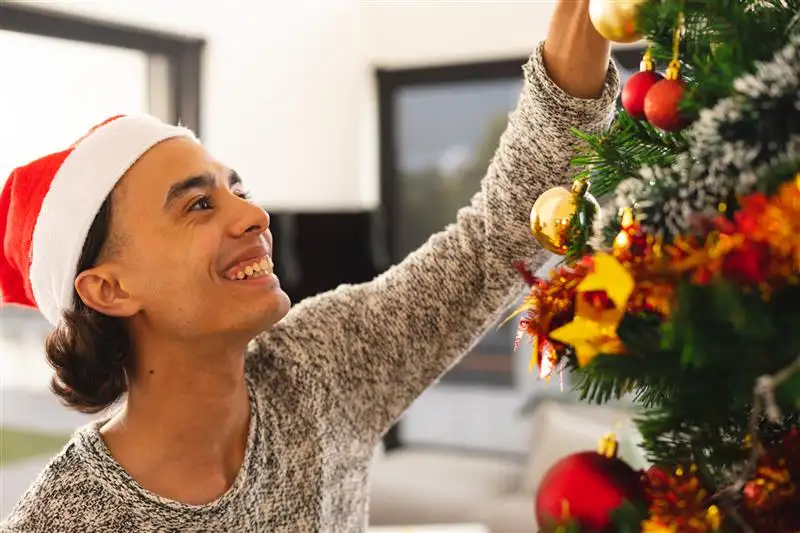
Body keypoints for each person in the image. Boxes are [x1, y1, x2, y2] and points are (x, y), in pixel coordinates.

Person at [0, 2, 618, 531]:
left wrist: (586, 16)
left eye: (237, 188)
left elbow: (494, 243)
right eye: (197, 204)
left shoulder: (318, 367)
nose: (253, 215)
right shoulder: (65, 518)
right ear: (109, 288)